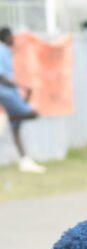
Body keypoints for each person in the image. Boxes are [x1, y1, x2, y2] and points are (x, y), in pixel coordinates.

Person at [0, 27, 45, 174]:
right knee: (33, 114)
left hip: (10, 91)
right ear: (6, 37)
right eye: (12, 37)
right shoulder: (1, 50)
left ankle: (24, 161)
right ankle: (8, 117)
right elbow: (1, 76)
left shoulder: (7, 52)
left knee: (16, 127)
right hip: (5, 92)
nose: (14, 39)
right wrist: (20, 86)